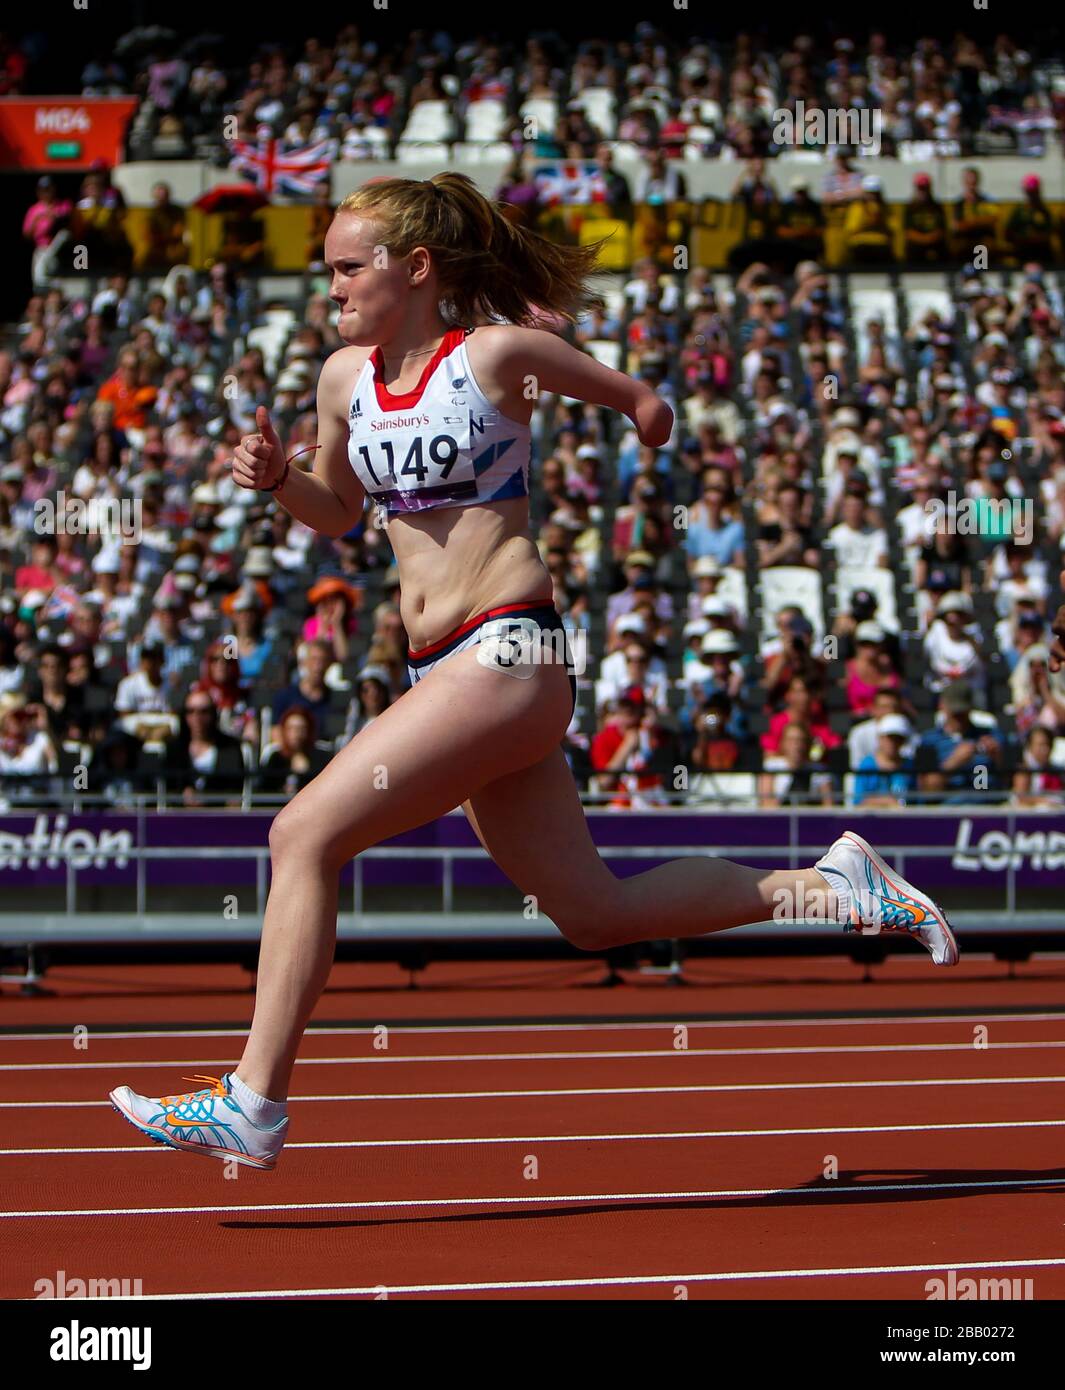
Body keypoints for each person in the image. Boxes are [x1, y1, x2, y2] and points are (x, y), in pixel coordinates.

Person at [109, 170, 960, 1171]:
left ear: (415, 269)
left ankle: (253, 1100)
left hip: (510, 648)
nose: (328, 287)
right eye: (325, 269)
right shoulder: (345, 378)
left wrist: (636, 410)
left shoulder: (498, 355)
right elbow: (339, 511)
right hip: (442, 673)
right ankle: (834, 886)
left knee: (301, 833)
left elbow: (645, 403)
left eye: (347, 267)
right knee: (593, 912)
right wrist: (279, 480)